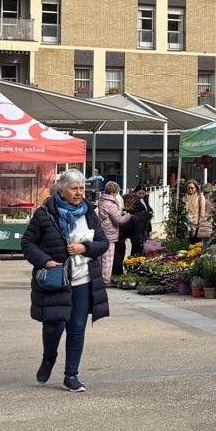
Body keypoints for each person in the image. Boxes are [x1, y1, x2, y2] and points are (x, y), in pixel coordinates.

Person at [21, 168, 110, 393]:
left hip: (83, 280)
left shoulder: (89, 212)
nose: (79, 192)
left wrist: (85, 247)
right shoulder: (44, 214)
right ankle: (49, 358)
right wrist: (45, 261)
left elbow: (103, 242)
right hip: (56, 279)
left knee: (77, 328)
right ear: (62, 190)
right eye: (74, 188)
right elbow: (27, 243)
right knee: (53, 326)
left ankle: (71, 375)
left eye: (82, 188)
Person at [95, 181, 131, 283]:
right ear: (113, 192)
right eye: (116, 193)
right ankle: (106, 280)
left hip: (100, 233)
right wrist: (128, 215)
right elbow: (119, 220)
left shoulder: (101, 201)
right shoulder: (110, 203)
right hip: (109, 234)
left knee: (99, 258)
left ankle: (98, 279)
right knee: (108, 259)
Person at [114, 186, 153, 276]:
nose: (142, 195)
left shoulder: (144, 200)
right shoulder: (129, 198)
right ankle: (130, 268)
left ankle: (132, 268)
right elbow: (126, 211)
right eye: (140, 193)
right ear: (135, 192)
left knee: (135, 247)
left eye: (143, 193)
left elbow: (149, 209)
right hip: (131, 226)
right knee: (131, 247)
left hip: (136, 226)